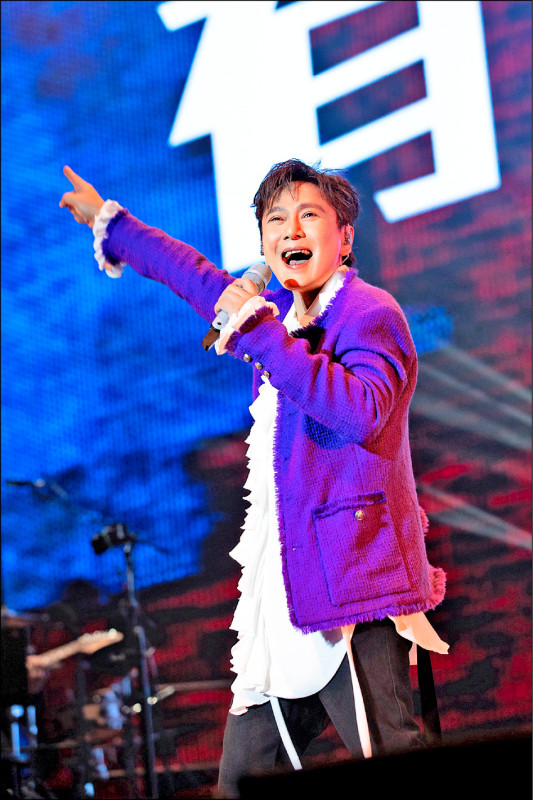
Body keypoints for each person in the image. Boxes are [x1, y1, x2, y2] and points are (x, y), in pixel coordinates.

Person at [60, 159, 448, 797]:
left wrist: (263, 335)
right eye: (275, 220)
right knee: (239, 781)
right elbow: (194, 276)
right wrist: (111, 224)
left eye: (308, 215)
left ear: (344, 237)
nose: (290, 229)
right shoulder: (274, 313)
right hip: (285, 590)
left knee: (393, 760)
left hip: (351, 585)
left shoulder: (368, 312)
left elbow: (360, 412)